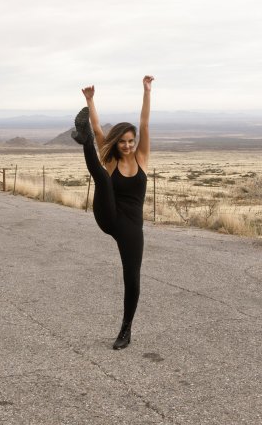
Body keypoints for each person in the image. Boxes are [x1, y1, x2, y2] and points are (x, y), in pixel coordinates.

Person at [72, 75, 154, 350]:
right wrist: (90, 100)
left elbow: (143, 123)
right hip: (108, 215)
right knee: (104, 179)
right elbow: (98, 129)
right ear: (117, 143)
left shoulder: (142, 158)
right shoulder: (110, 160)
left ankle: (126, 329)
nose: (128, 146)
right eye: (123, 142)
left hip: (131, 228)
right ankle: (82, 141)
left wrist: (146, 91)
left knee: (132, 276)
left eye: (131, 141)